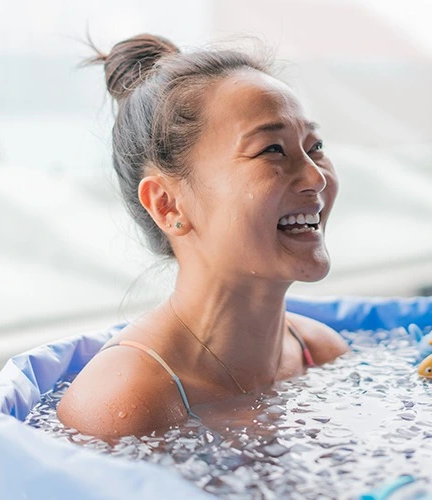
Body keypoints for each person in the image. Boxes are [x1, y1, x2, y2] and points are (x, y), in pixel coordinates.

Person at [57, 33, 350, 439]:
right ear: (168, 205)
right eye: (272, 150)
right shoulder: (125, 402)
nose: (316, 177)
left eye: (314, 146)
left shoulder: (321, 353)